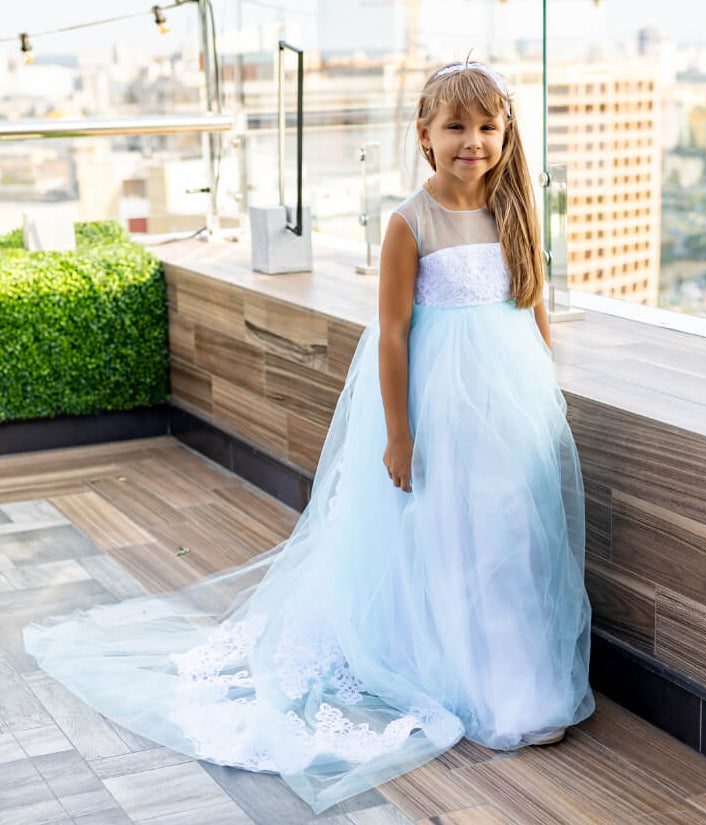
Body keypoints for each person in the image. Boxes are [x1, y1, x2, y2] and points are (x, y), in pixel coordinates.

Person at [23, 60, 595, 815]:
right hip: (439, 408)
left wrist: (544, 393)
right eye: (456, 126)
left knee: (512, 533)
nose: (473, 141)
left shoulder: (514, 211)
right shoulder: (409, 222)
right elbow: (391, 336)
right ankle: (467, 675)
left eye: (488, 126)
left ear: (505, 132)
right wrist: (398, 434)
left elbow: (531, 307)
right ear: (424, 135)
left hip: (505, 406)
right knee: (453, 534)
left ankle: (522, 677)